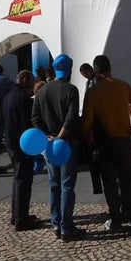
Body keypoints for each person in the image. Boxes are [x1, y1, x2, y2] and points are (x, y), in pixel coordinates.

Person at [82, 54, 131, 232]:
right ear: (110, 68)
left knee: (109, 182)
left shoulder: (92, 93)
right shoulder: (122, 86)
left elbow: (87, 122)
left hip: (104, 144)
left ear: (95, 72)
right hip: (123, 140)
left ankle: (116, 220)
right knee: (127, 178)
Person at [32, 54, 85, 241]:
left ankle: (56, 223)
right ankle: (67, 228)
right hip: (67, 143)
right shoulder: (71, 90)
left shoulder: (42, 91)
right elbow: (71, 118)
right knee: (67, 186)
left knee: (54, 185)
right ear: (69, 70)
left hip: (48, 144)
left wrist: (48, 135)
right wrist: (61, 136)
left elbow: (35, 117)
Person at [2, 70, 39, 231]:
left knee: (18, 180)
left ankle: (16, 214)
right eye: (31, 80)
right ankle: (21, 219)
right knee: (24, 181)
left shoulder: (9, 95)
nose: (32, 83)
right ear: (24, 79)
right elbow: (27, 124)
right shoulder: (23, 98)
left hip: (11, 143)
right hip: (21, 145)